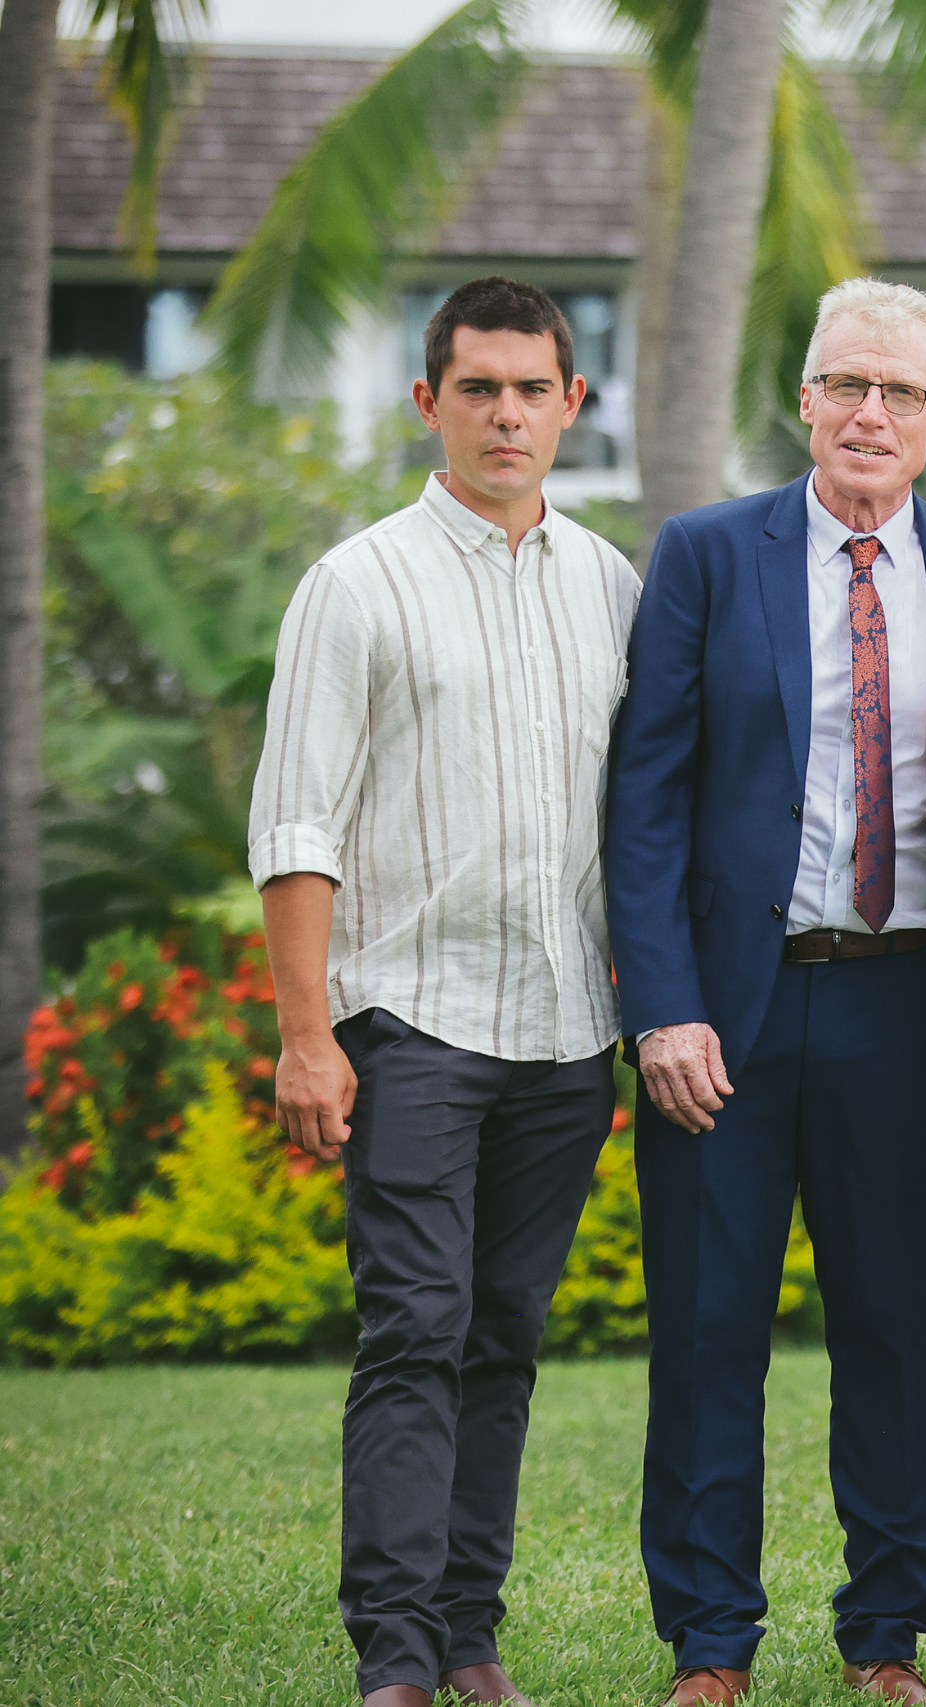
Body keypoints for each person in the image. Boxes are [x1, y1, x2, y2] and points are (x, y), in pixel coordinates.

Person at [604, 278, 926, 1707]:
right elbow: (647, 799)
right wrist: (661, 1006)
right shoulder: (707, 554)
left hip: (912, 1003)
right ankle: (710, 1640)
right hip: (723, 1012)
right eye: (846, 385)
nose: (872, 413)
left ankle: (886, 1632)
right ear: (803, 399)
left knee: (891, 1326)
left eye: (902, 393)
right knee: (709, 1324)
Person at [249, 276, 636, 1707]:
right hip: (408, 1021)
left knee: (506, 1338)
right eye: (478, 388)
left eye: (533, 389)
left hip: (559, 1031)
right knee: (414, 1327)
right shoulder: (357, 582)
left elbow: (639, 812)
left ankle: (471, 1641)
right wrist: (308, 1036)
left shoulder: (612, 583)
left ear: (573, 404)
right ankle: (396, 1660)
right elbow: (297, 818)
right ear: (430, 403)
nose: (507, 414)